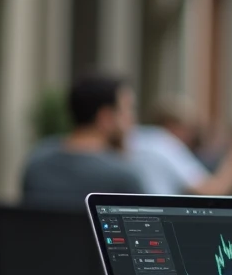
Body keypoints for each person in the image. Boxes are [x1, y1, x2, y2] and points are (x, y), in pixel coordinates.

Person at [22, 74, 146, 208]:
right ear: (106, 117)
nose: (132, 119)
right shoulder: (123, 177)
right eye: (128, 109)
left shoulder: (37, 162)